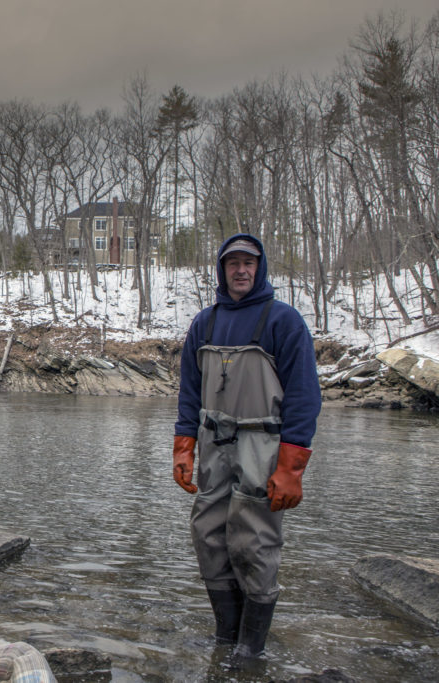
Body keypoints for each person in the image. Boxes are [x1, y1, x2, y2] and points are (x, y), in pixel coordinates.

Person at [173, 233, 321, 660]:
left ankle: (251, 647)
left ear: (261, 268)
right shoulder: (204, 323)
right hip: (212, 443)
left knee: (252, 540)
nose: (241, 270)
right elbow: (189, 393)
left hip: (264, 443)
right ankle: (226, 636)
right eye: (232, 262)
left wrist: (291, 467)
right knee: (208, 534)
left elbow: (305, 397)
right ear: (221, 269)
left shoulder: (284, 321)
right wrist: (184, 448)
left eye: (249, 263)